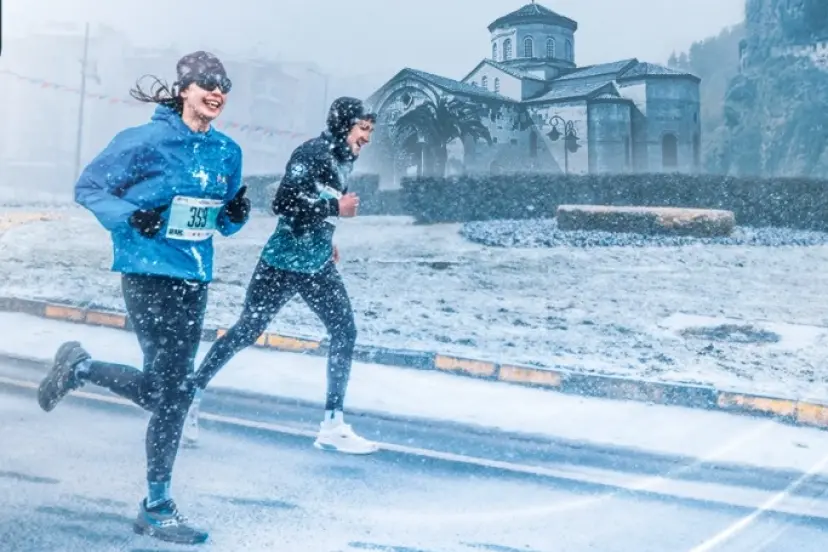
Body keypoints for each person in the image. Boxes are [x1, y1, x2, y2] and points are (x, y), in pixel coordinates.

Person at [36, 51, 250, 545]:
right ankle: (156, 506)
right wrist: (132, 216)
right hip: (148, 272)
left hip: (194, 275)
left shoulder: (227, 151)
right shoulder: (143, 141)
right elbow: (89, 187)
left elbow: (223, 220)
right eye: (207, 83)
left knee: (165, 392)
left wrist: (234, 214)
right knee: (173, 392)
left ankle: (80, 369)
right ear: (184, 89)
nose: (217, 92)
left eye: (224, 85)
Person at [183, 96, 377, 455]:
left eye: (370, 131)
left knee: (344, 331)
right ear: (344, 125)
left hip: (315, 263)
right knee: (247, 330)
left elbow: (312, 204)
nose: (366, 137)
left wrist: (327, 236)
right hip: (283, 264)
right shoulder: (313, 153)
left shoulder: (342, 158)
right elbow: (283, 202)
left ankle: (332, 426)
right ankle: (189, 396)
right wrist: (336, 207)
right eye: (362, 129)